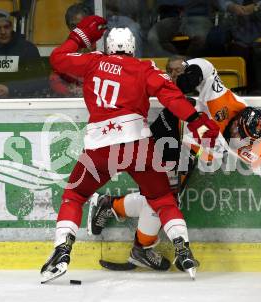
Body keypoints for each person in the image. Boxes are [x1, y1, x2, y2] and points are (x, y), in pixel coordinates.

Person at [40, 15, 221, 283]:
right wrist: (197, 121)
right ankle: (182, 247)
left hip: (99, 148)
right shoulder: (145, 68)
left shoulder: (93, 61)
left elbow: (57, 58)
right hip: (138, 145)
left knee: (74, 197)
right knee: (162, 200)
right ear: (133, 48)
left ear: (109, 47)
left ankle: (62, 250)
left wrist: (79, 36)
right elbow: (171, 97)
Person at [89, 57, 261, 271]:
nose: (237, 136)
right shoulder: (225, 102)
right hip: (173, 126)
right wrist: (191, 70)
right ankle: (137, 243)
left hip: (190, 145)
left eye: (243, 137)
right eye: (238, 129)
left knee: (167, 199)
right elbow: (208, 69)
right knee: (164, 197)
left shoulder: (249, 143)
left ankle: (113, 209)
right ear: (240, 117)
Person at [0, 9, 46, 98]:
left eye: (6, 27)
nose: (3, 32)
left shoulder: (27, 48)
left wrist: (11, 89)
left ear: (12, 27)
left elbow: (38, 82)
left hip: (20, 101)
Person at [146, 0, 215, 57]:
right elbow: (162, 3)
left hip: (197, 16)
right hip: (171, 17)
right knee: (153, 36)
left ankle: (190, 64)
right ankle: (172, 62)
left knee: (201, 39)